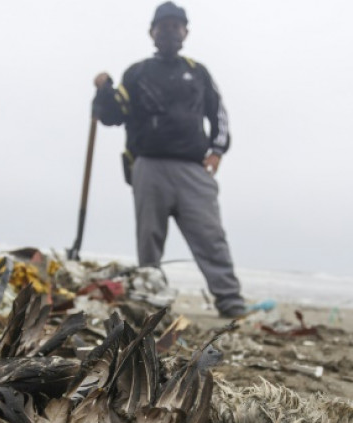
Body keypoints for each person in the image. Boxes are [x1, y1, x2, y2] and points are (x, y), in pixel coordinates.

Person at [92, 1, 247, 318]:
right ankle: (151, 304)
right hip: (147, 166)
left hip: (193, 169)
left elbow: (219, 115)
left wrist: (216, 153)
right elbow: (112, 115)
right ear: (152, 32)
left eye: (177, 26)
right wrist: (104, 91)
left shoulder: (197, 71)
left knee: (210, 236)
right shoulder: (136, 73)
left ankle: (230, 302)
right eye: (164, 26)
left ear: (185, 32)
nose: (170, 32)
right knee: (149, 241)